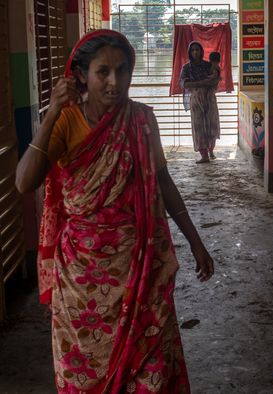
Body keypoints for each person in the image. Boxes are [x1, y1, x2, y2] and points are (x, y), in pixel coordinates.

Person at [15, 30, 214, 393]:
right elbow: (25, 183)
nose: (114, 82)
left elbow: (164, 181)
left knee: (149, 366)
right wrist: (49, 116)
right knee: (85, 374)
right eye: (102, 72)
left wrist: (195, 242)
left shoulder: (141, 119)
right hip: (81, 278)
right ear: (80, 76)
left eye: (122, 71)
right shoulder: (65, 122)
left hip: (139, 267)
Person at [178, 42, 220, 164]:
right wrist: (201, 83)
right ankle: (204, 155)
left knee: (212, 123)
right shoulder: (186, 68)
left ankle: (211, 151)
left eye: (197, 49)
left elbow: (216, 80)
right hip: (196, 99)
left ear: (201, 51)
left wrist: (211, 86)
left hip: (209, 97)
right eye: (193, 50)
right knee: (199, 126)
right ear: (189, 52)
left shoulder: (208, 66)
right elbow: (184, 84)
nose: (195, 52)